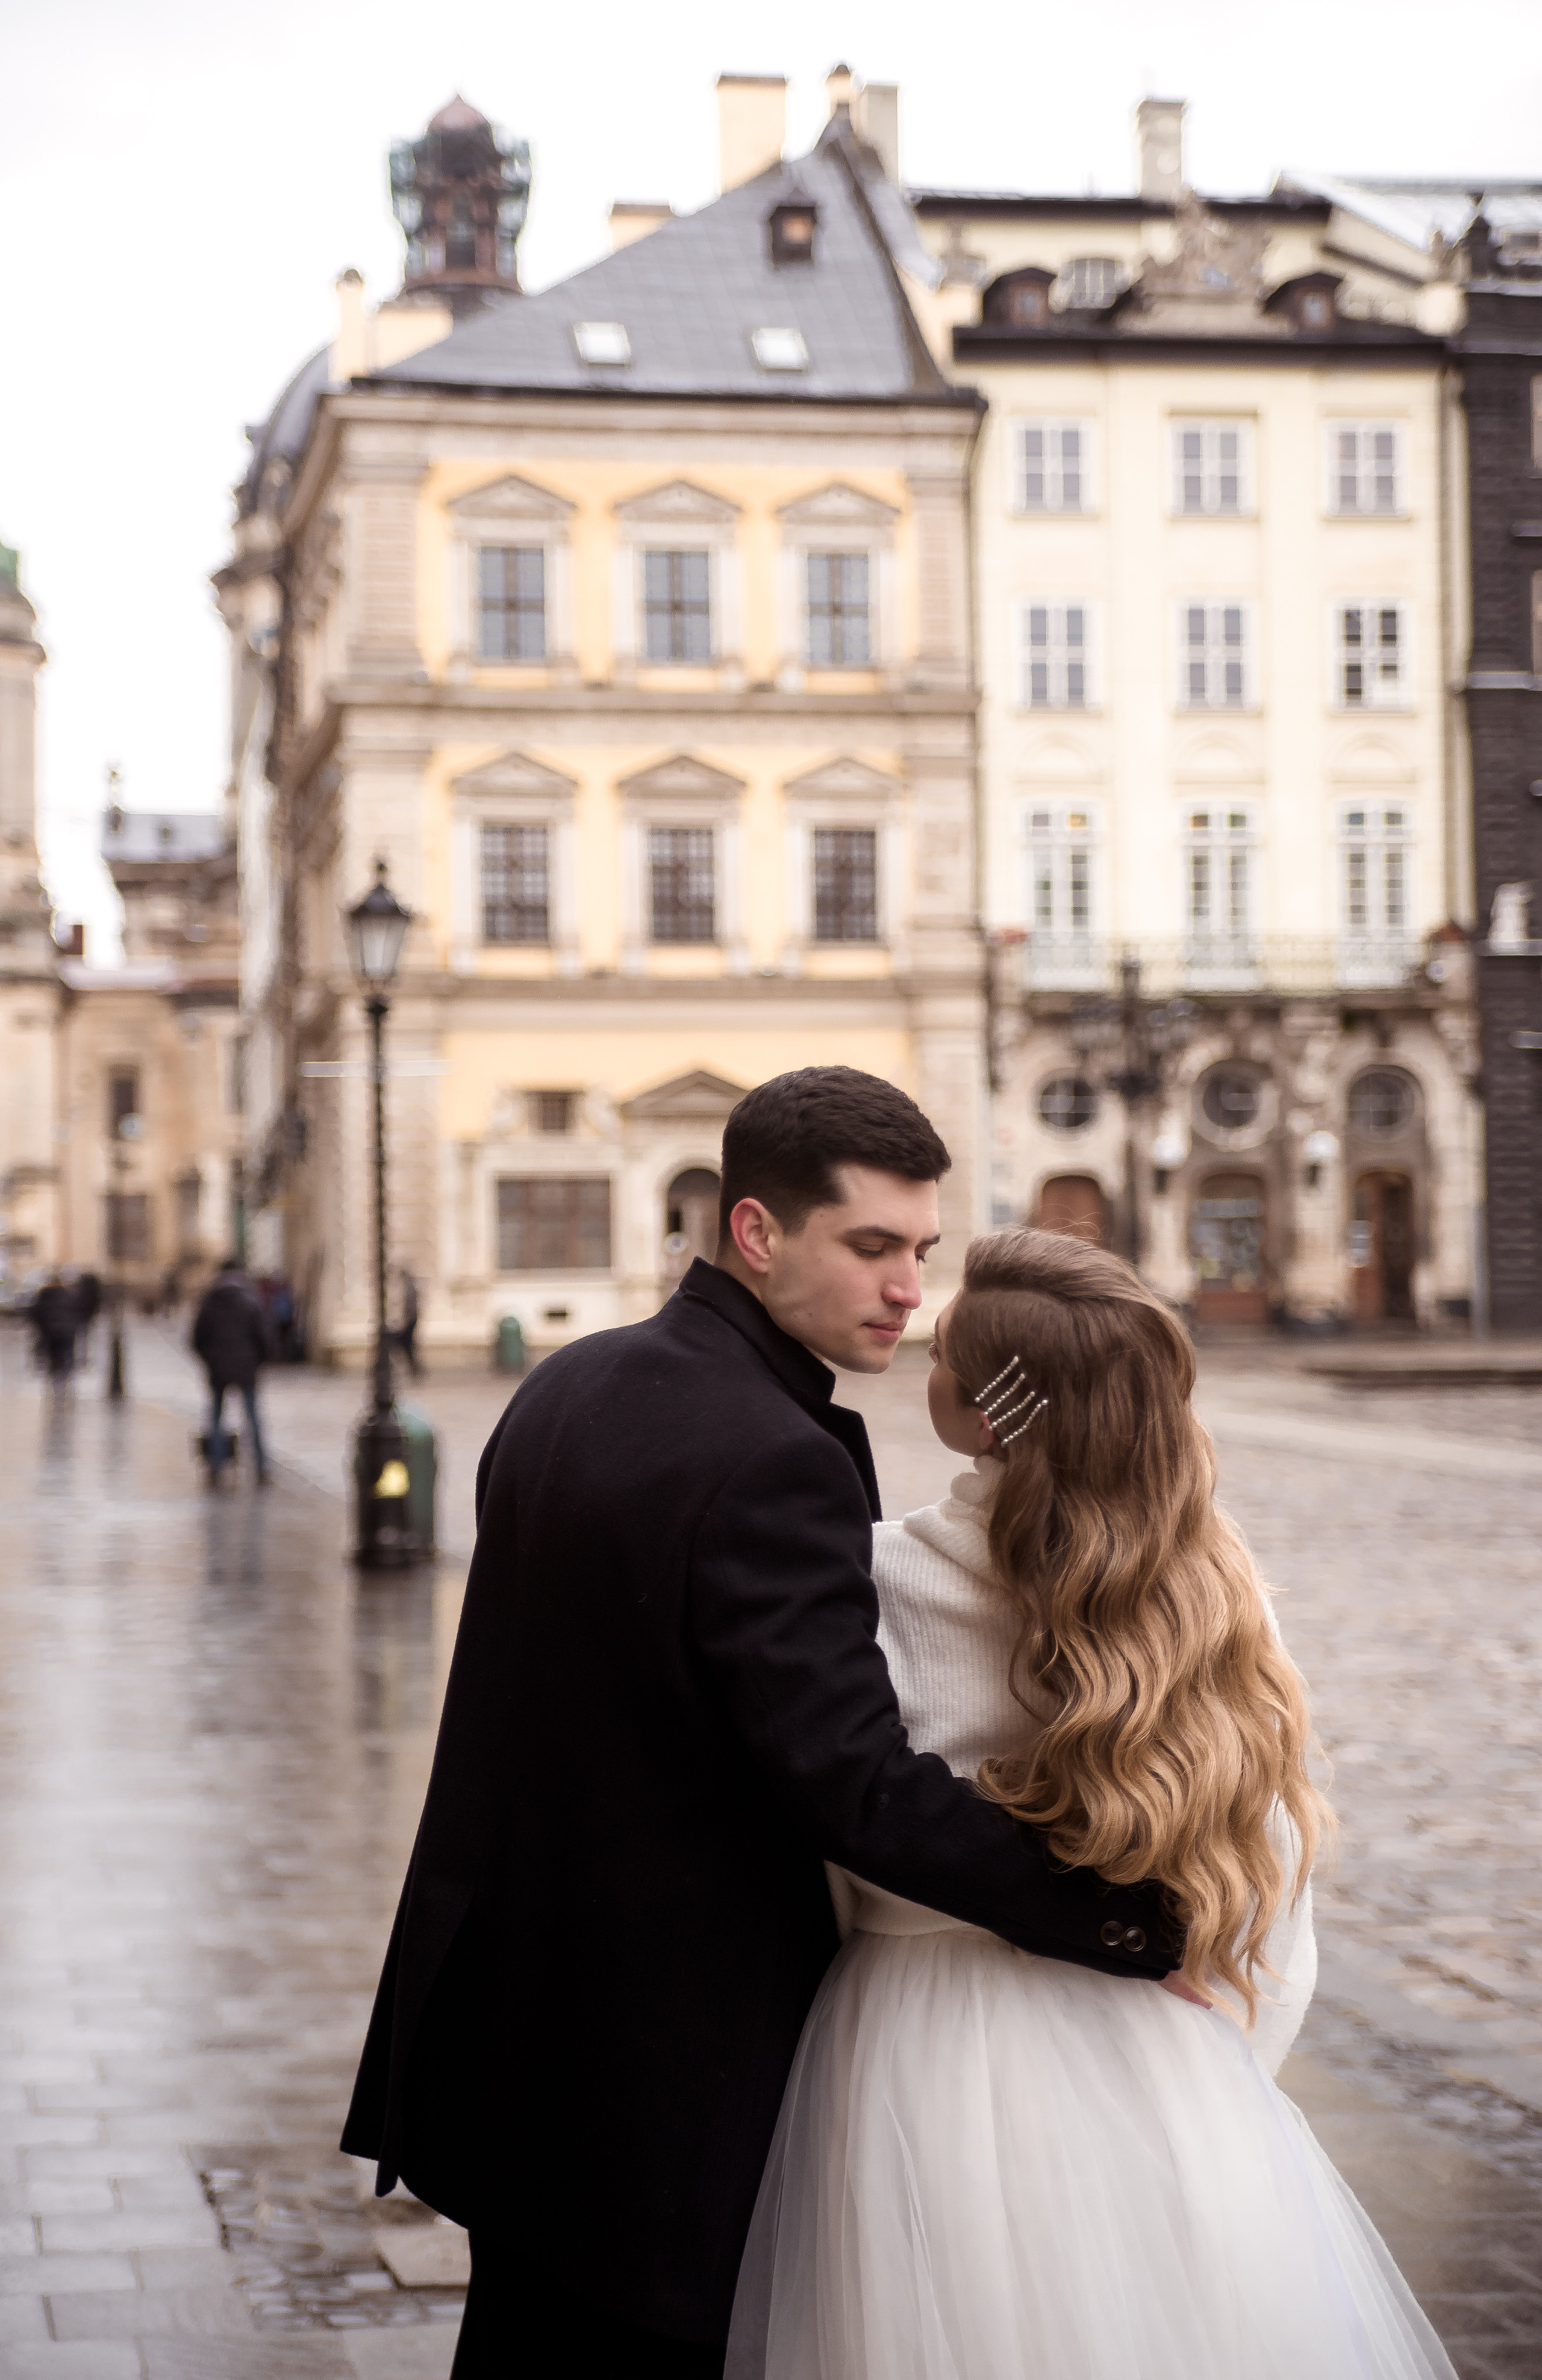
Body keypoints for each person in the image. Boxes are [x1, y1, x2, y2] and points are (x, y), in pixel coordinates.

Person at [342, 1069, 1182, 2379]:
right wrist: (1117, 1913)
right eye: (869, 1247)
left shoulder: (571, 1382)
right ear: (754, 1233)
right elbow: (851, 1781)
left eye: (919, 1248)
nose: (909, 1289)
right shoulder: (771, 1450)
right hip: (659, 2074)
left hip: (509, 2032)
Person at [726, 1227, 1455, 2380]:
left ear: (975, 1407)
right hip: (1161, 2037)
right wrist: (1217, 2083)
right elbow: (1274, 1879)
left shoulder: (874, 1578)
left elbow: (838, 1825)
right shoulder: (1209, 1590)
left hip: (912, 2047)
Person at [191, 1257, 274, 1485]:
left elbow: (197, 1338)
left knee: (217, 1418)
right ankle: (260, 1466)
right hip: (246, 1368)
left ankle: (216, 1465)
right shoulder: (250, 1300)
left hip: (218, 1369)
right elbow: (264, 1338)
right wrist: (258, 1362)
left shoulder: (210, 1301)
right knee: (254, 1418)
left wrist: (210, 1360)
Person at [29, 1272, 80, 1395]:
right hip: (66, 1331)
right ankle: (64, 1379)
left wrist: (42, 1327)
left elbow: (36, 1312)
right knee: (66, 1355)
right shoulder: (69, 1295)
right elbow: (77, 1311)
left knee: (54, 1355)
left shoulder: (44, 1295)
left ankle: (55, 1378)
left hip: (50, 1331)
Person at [392, 1266, 422, 1378]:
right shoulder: (409, 1287)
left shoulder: (409, 1288)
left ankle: (415, 1369)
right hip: (411, 1321)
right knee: (406, 1346)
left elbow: (409, 1307)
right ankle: (414, 1369)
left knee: (405, 1345)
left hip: (410, 1321)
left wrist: (406, 1321)